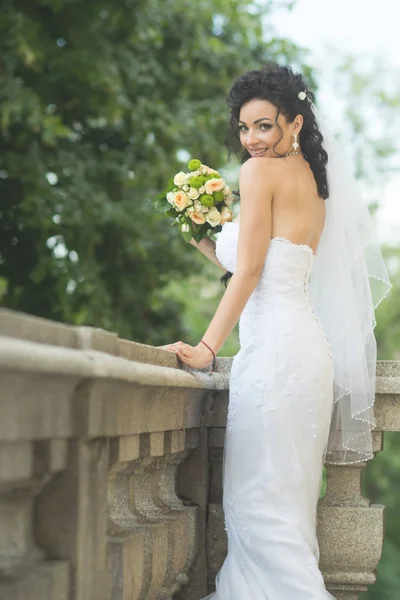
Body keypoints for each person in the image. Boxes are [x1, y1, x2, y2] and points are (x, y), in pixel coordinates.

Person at [160, 63, 392, 599]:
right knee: (282, 509)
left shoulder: (257, 174)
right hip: (304, 354)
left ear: (293, 121)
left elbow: (250, 271)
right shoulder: (316, 181)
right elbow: (255, 259)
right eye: (244, 128)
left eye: (264, 126)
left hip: (275, 357)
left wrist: (206, 347)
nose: (252, 140)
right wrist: (202, 227)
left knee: (262, 505)